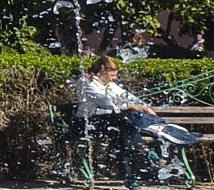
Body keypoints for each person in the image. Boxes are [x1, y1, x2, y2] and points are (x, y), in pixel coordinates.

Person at [80, 54, 196, 183]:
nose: (115, 78)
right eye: (112, 75)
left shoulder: (109, 84)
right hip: (88, 122)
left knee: (126, 131)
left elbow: (128, 96)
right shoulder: (87, 82)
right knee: (126, 127)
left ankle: (136, 166)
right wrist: (129, 106)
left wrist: (144, 107)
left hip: (111, 121)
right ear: (102, 71)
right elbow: (105, 101)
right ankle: (143, 156)